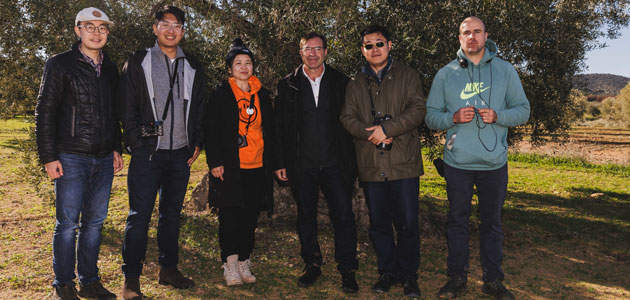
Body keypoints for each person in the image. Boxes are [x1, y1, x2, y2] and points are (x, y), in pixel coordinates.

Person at [425, 16, 530, 300]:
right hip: (457, 164)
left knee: (492, 224)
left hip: (494, 164)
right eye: (465, 33)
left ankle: (493, 281)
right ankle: (456, 279)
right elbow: (431, 117)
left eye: (476, 32)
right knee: (457, 222)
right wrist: (452, 117)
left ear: (486, 36)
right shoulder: (446, 74)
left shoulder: (505, 71)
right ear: (459, 38)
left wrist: (499, 116)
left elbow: (523, 110)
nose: (471, 37)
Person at [117, 5, 207, 299]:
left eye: (177, 25)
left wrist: (197, 141)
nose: (171, 30)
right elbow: (127, 106)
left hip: (180, 155)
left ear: (183, 31)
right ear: (155, 28)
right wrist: (135, 143)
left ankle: (168, 269)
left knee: (171, 216)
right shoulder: (139, 60)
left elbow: (199, 108)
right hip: (148, 154)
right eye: (165, 24)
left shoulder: (192, 65)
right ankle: (131, 280)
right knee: (138, 217)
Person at [35, 7, 122, 300]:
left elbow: (114, 113)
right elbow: (44, 111)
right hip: (71, 156)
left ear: (108, 33)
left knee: (95, 224)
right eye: (89, 26)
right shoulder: (59, 65)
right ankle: (64, 283)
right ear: (77, 30)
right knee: (68, 224)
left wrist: (116, 148)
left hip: (103, 158)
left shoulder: (111, 68)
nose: (96, 33)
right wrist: (49, 156)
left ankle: (89, 281)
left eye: (102, 27)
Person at [340, 25, 425, 298]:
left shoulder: (408, 75)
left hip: (403, 163)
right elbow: (346, 118)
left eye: (379, 43)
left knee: (409, 222)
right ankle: (388, 272)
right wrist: (372, 134)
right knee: (379, 223)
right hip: (371, 165)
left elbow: (417, 110)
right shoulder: (355, 83)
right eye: (368, 45)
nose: (374, 49)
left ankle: (409, 276)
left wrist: (387, 129)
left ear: (389, 45)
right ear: (362, 50)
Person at [274, 32, 359, 293]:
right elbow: (279, 128)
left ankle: (347, 269)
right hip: (302, 165)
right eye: (307, 49)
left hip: (336, 164)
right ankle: (312, 264)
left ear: (325, 52)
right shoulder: (287, 85)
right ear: (300, 53)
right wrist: (279, 162)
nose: (312, 53)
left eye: (317, 48)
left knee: (343, 216)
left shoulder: (342, 82)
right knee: (306, 217)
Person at [205, 38, 274, 287]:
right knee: (230, 216)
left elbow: (270, 130)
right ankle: (230, 264)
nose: (244, 67)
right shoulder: (221, 92)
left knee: (249, 217)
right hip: (231, 166)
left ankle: (245, 261)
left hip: (257, 166)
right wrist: (215, 161)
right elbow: (210, 131)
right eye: (238, 63)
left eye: (248, 62)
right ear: (230, 68)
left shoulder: (262, 94)